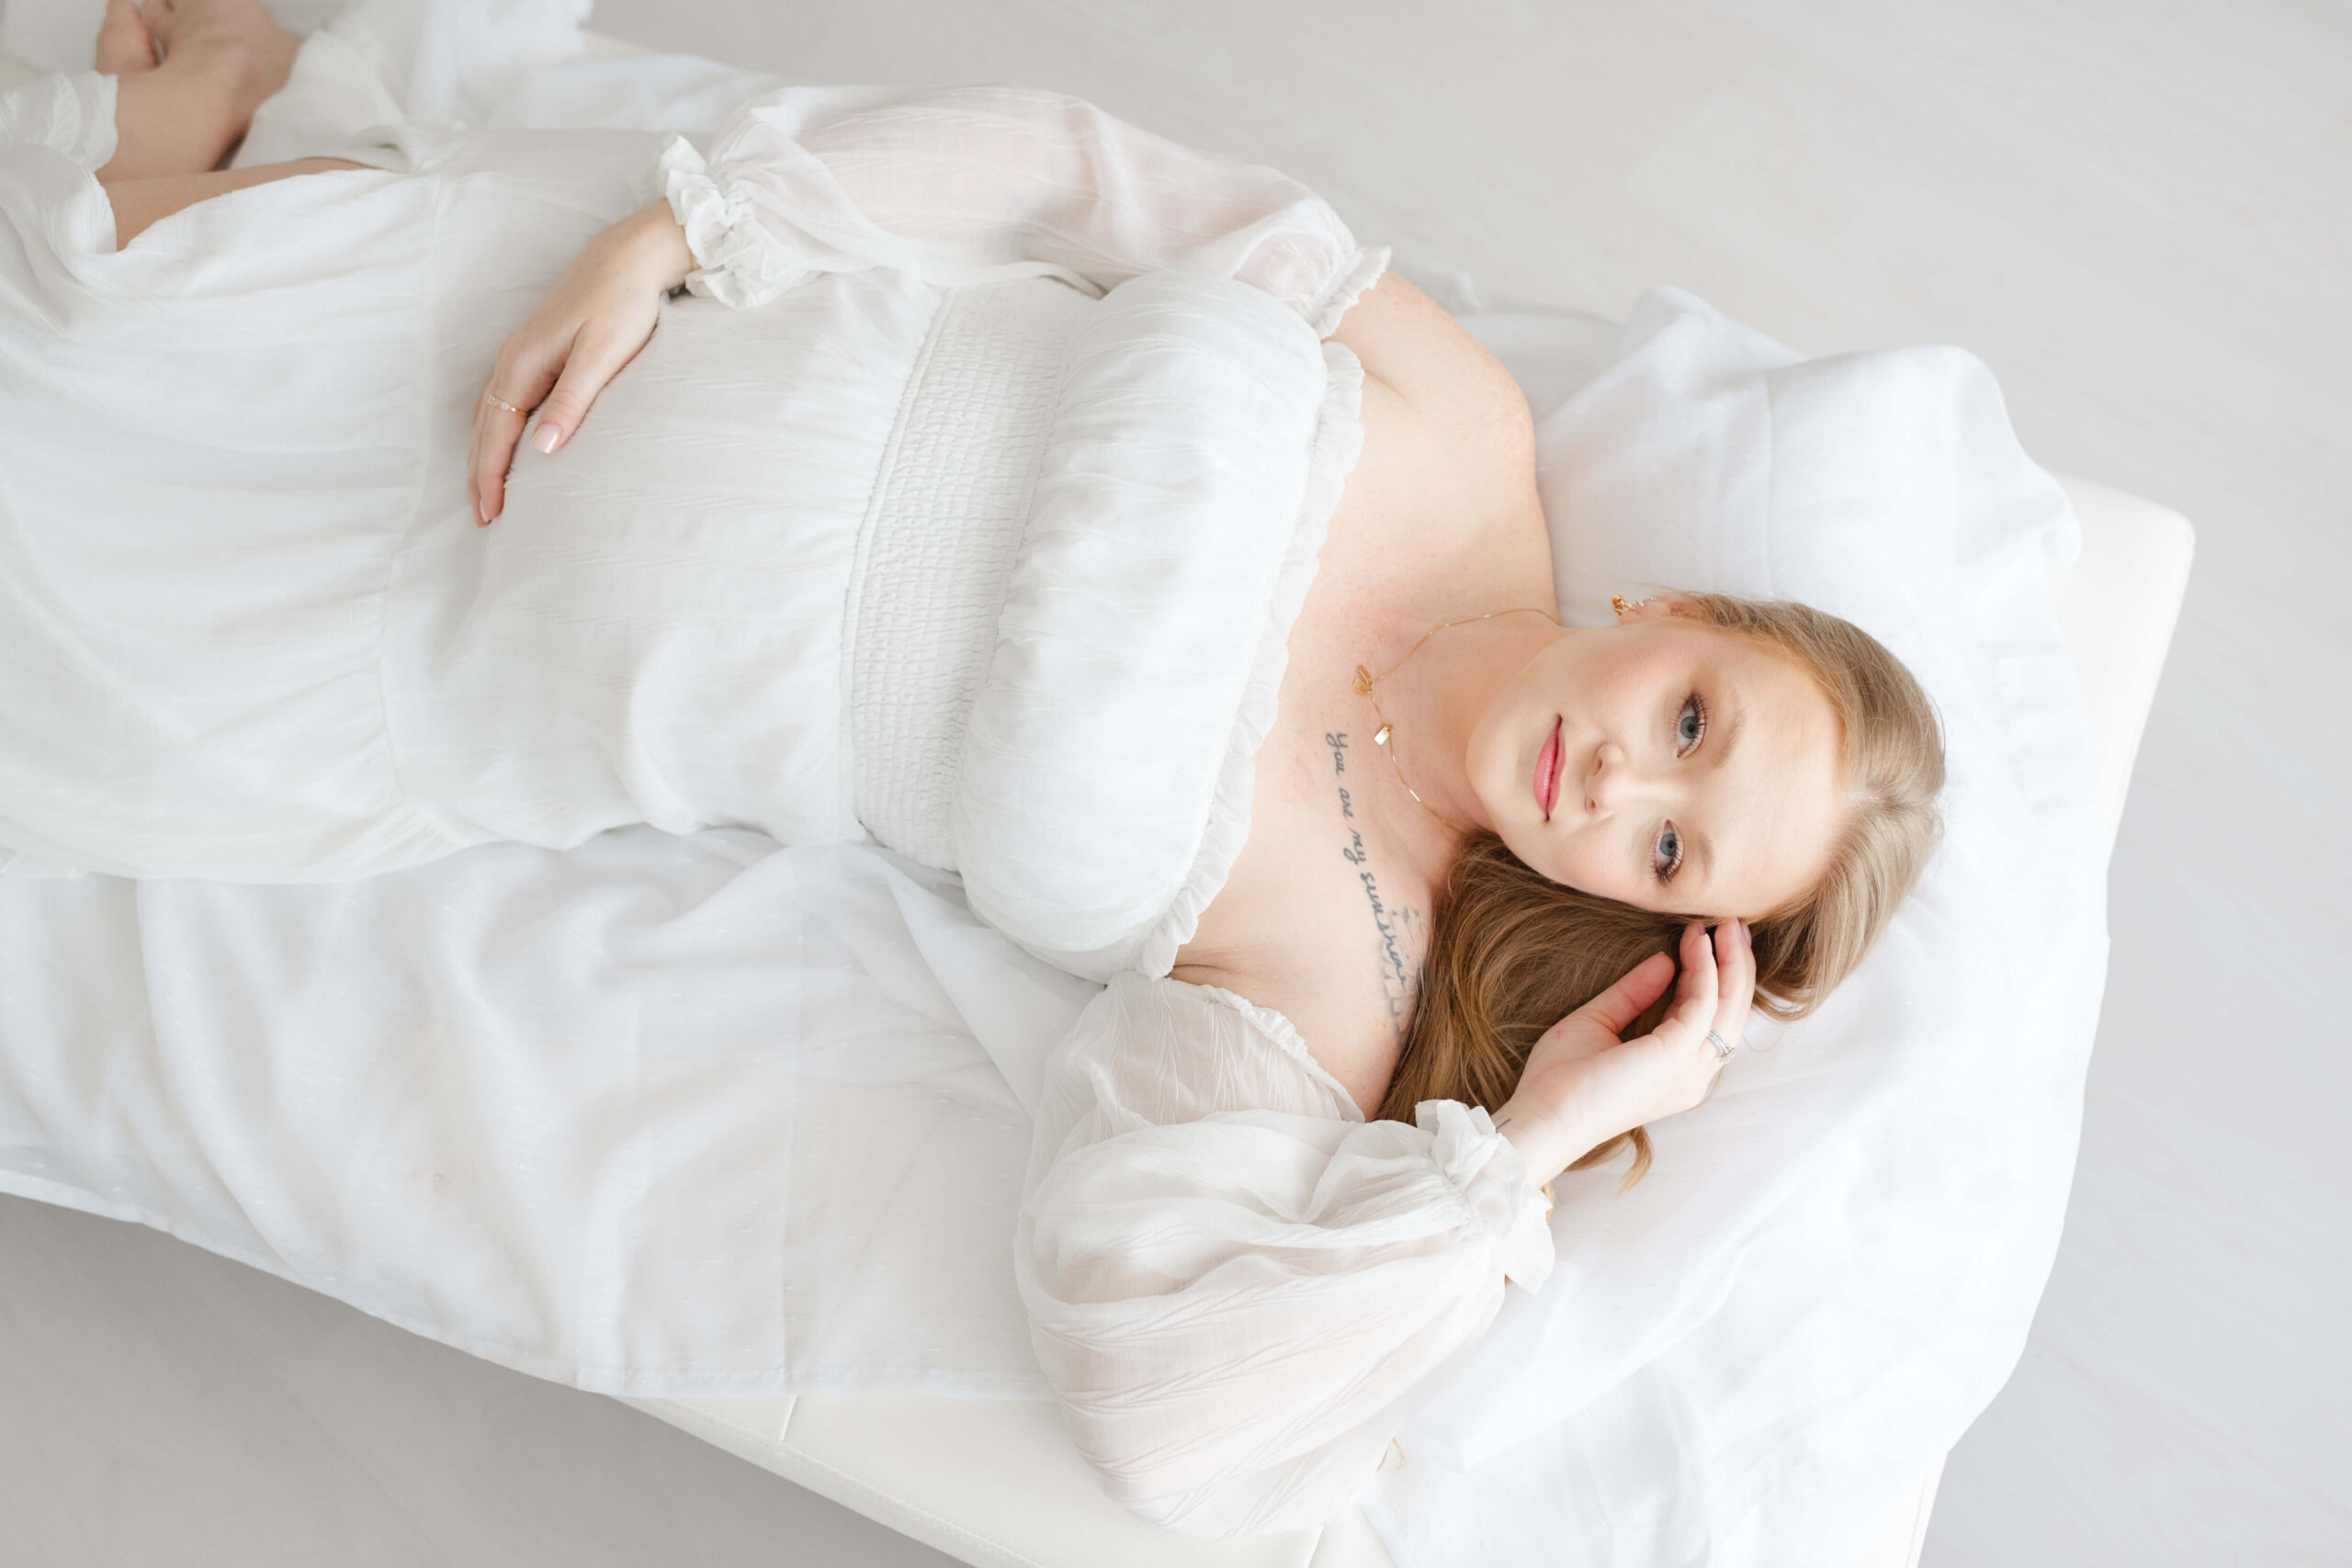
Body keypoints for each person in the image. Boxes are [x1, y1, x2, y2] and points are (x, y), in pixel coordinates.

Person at [0, 0, 1945, 1537]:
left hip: (462, 655)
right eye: (1688, 714)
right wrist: (680, 226)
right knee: (93, 296)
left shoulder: (1338, 957)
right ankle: (241, 111)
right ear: (1681, 602)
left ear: (1644, 914)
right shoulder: (1457, 422)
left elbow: (1157, 1394)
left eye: (1667, 849)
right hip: (582, 316)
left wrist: (1509, 1151)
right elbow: (1082, 174)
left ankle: (225, 105)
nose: (1611, 780)